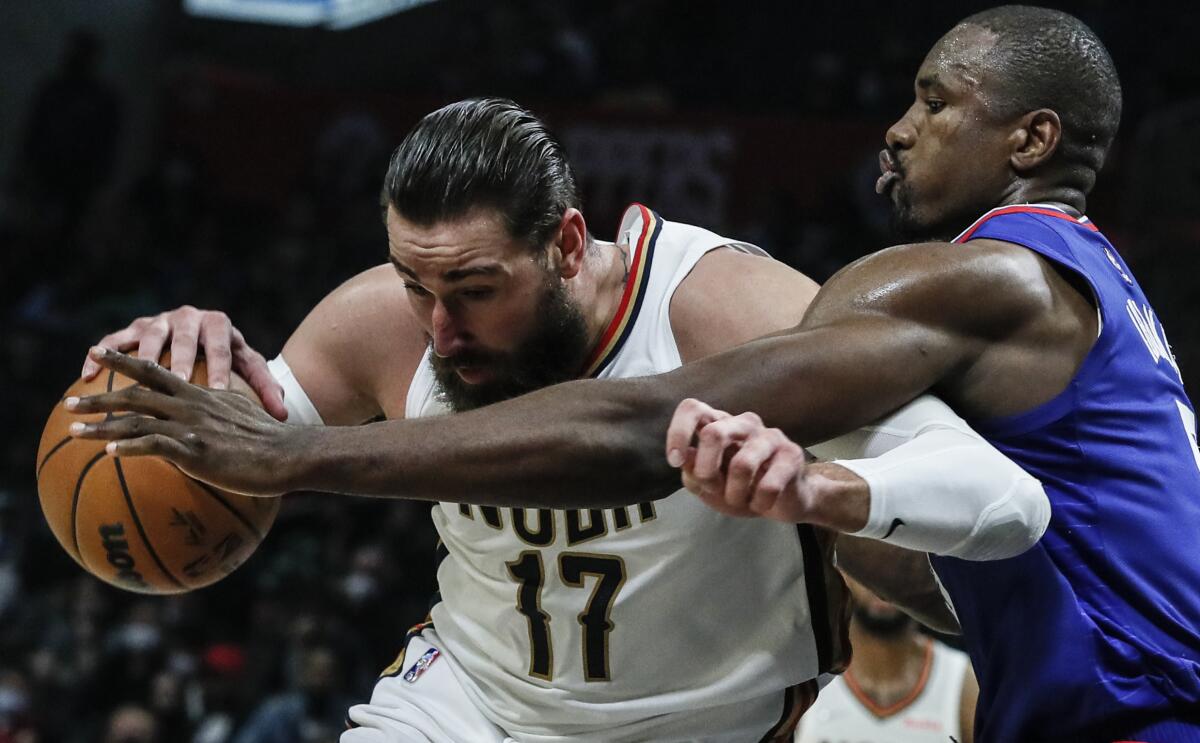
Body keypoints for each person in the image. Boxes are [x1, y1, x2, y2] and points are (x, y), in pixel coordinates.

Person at [70, 98, 1050, 741]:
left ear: (568, 243)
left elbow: (979, 478)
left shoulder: (716, 306)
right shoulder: (384, 316)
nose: (440, 327)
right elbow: (240, 439)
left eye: (474, 287)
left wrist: (830, 486)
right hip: (473, 704)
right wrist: (185, 352)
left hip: (703, 723)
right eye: (416, 283)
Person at [794, 575, 977, 743]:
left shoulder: (965, 684)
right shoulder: (803, 677)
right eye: (868, 565)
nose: (882, 580)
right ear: (842, 571)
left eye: (900, 566)